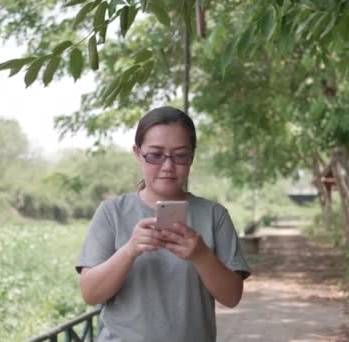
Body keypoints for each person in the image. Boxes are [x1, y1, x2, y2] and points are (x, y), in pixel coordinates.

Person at [75, 106, 250, 342]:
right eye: (155, 155)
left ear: (192, 157)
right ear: (137, 153)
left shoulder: (214, 215)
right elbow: (90, 293)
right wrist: (129, 250)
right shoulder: (112, 213)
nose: (168, 166)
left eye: (180, 155)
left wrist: (201, 255)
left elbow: (231, 297)